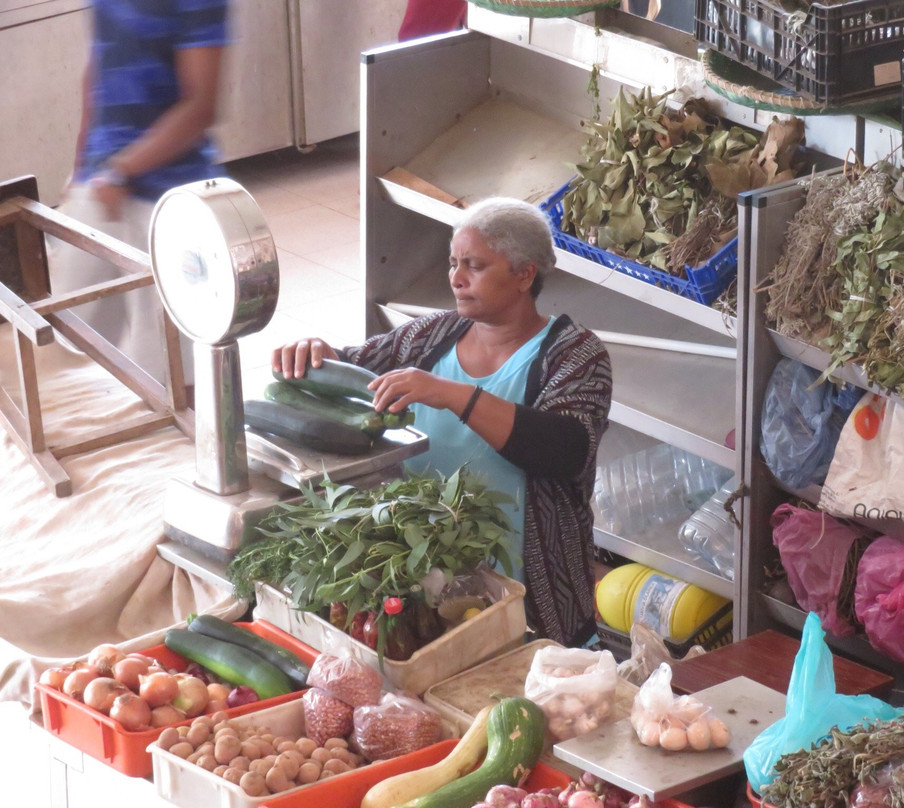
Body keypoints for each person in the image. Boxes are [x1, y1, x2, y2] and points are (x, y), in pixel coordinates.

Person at [273, 198, 613, 647]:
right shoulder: (429, 335)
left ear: (525, 274)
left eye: (475, 265)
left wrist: (453, 395)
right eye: (454, 263)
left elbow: (564, 451)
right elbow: (355, 367)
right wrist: (318, 354)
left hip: (530, 604)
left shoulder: (575, 355)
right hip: (420, 594)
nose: (456, 278)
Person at [49, 0, 230, 391]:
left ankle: (189, 451)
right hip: (100, 186)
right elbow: (98, 63)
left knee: (169, 376)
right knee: (67, 349)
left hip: (168, 199)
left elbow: (201, 106)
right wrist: (82, 165)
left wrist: (122, 170)